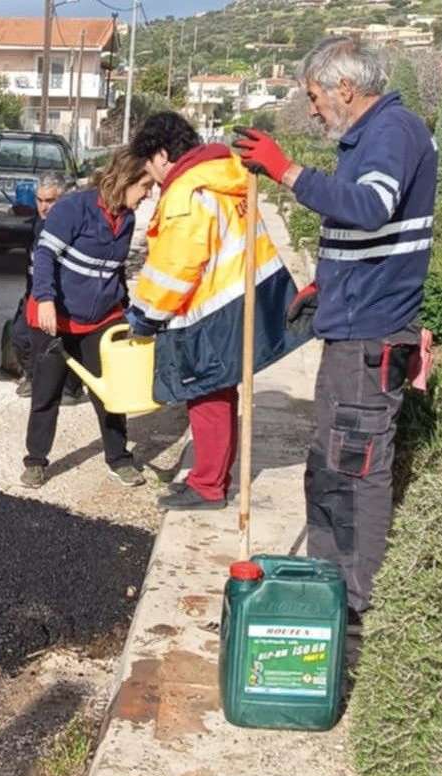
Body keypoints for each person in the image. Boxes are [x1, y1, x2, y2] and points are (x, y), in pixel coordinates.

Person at [232, 36, 438, 622]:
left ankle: (350, 605)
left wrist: (285, 170)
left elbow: (370, 207)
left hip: (371, 335)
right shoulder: (368, 138)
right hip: (354, 323)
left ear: (345, 87)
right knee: (330, 464)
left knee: (353, 468)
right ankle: (327, 589)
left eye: (314, 96)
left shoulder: (393, 131)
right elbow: (363, 229)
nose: (314, 109)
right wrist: (327, 282)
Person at [125, 113, 305, 511]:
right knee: (220, 394)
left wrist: (146, 315)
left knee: (206, 396)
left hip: (212, 310)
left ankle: (208, 487)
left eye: (150, 166)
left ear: (162, 155)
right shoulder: (226, 176)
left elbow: (176, 267)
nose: (152, 177)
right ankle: (211, 478)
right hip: (246, 297)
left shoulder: (188, 192)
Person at [20, 150, 155, 490]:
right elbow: (45, 255)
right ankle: (35, 461)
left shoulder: (127, 219)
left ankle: (119, 459)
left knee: (110, 393)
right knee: (46, 393)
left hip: (102, 320)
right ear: (125, 180)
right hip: (57, 318)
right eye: (144, 186)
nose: (148, 193)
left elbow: (114, 271)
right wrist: (45, 300)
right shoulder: (73, 208)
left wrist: (126, 309)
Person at [9, 174, 82, 405]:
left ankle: (71, 387)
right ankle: (34, 377)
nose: (43, 207)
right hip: (36, 293)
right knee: (20, 335)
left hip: (64, 296)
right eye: (39, 200)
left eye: (50, 201)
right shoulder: (37, 224)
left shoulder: (73, 225)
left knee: (68, 341)